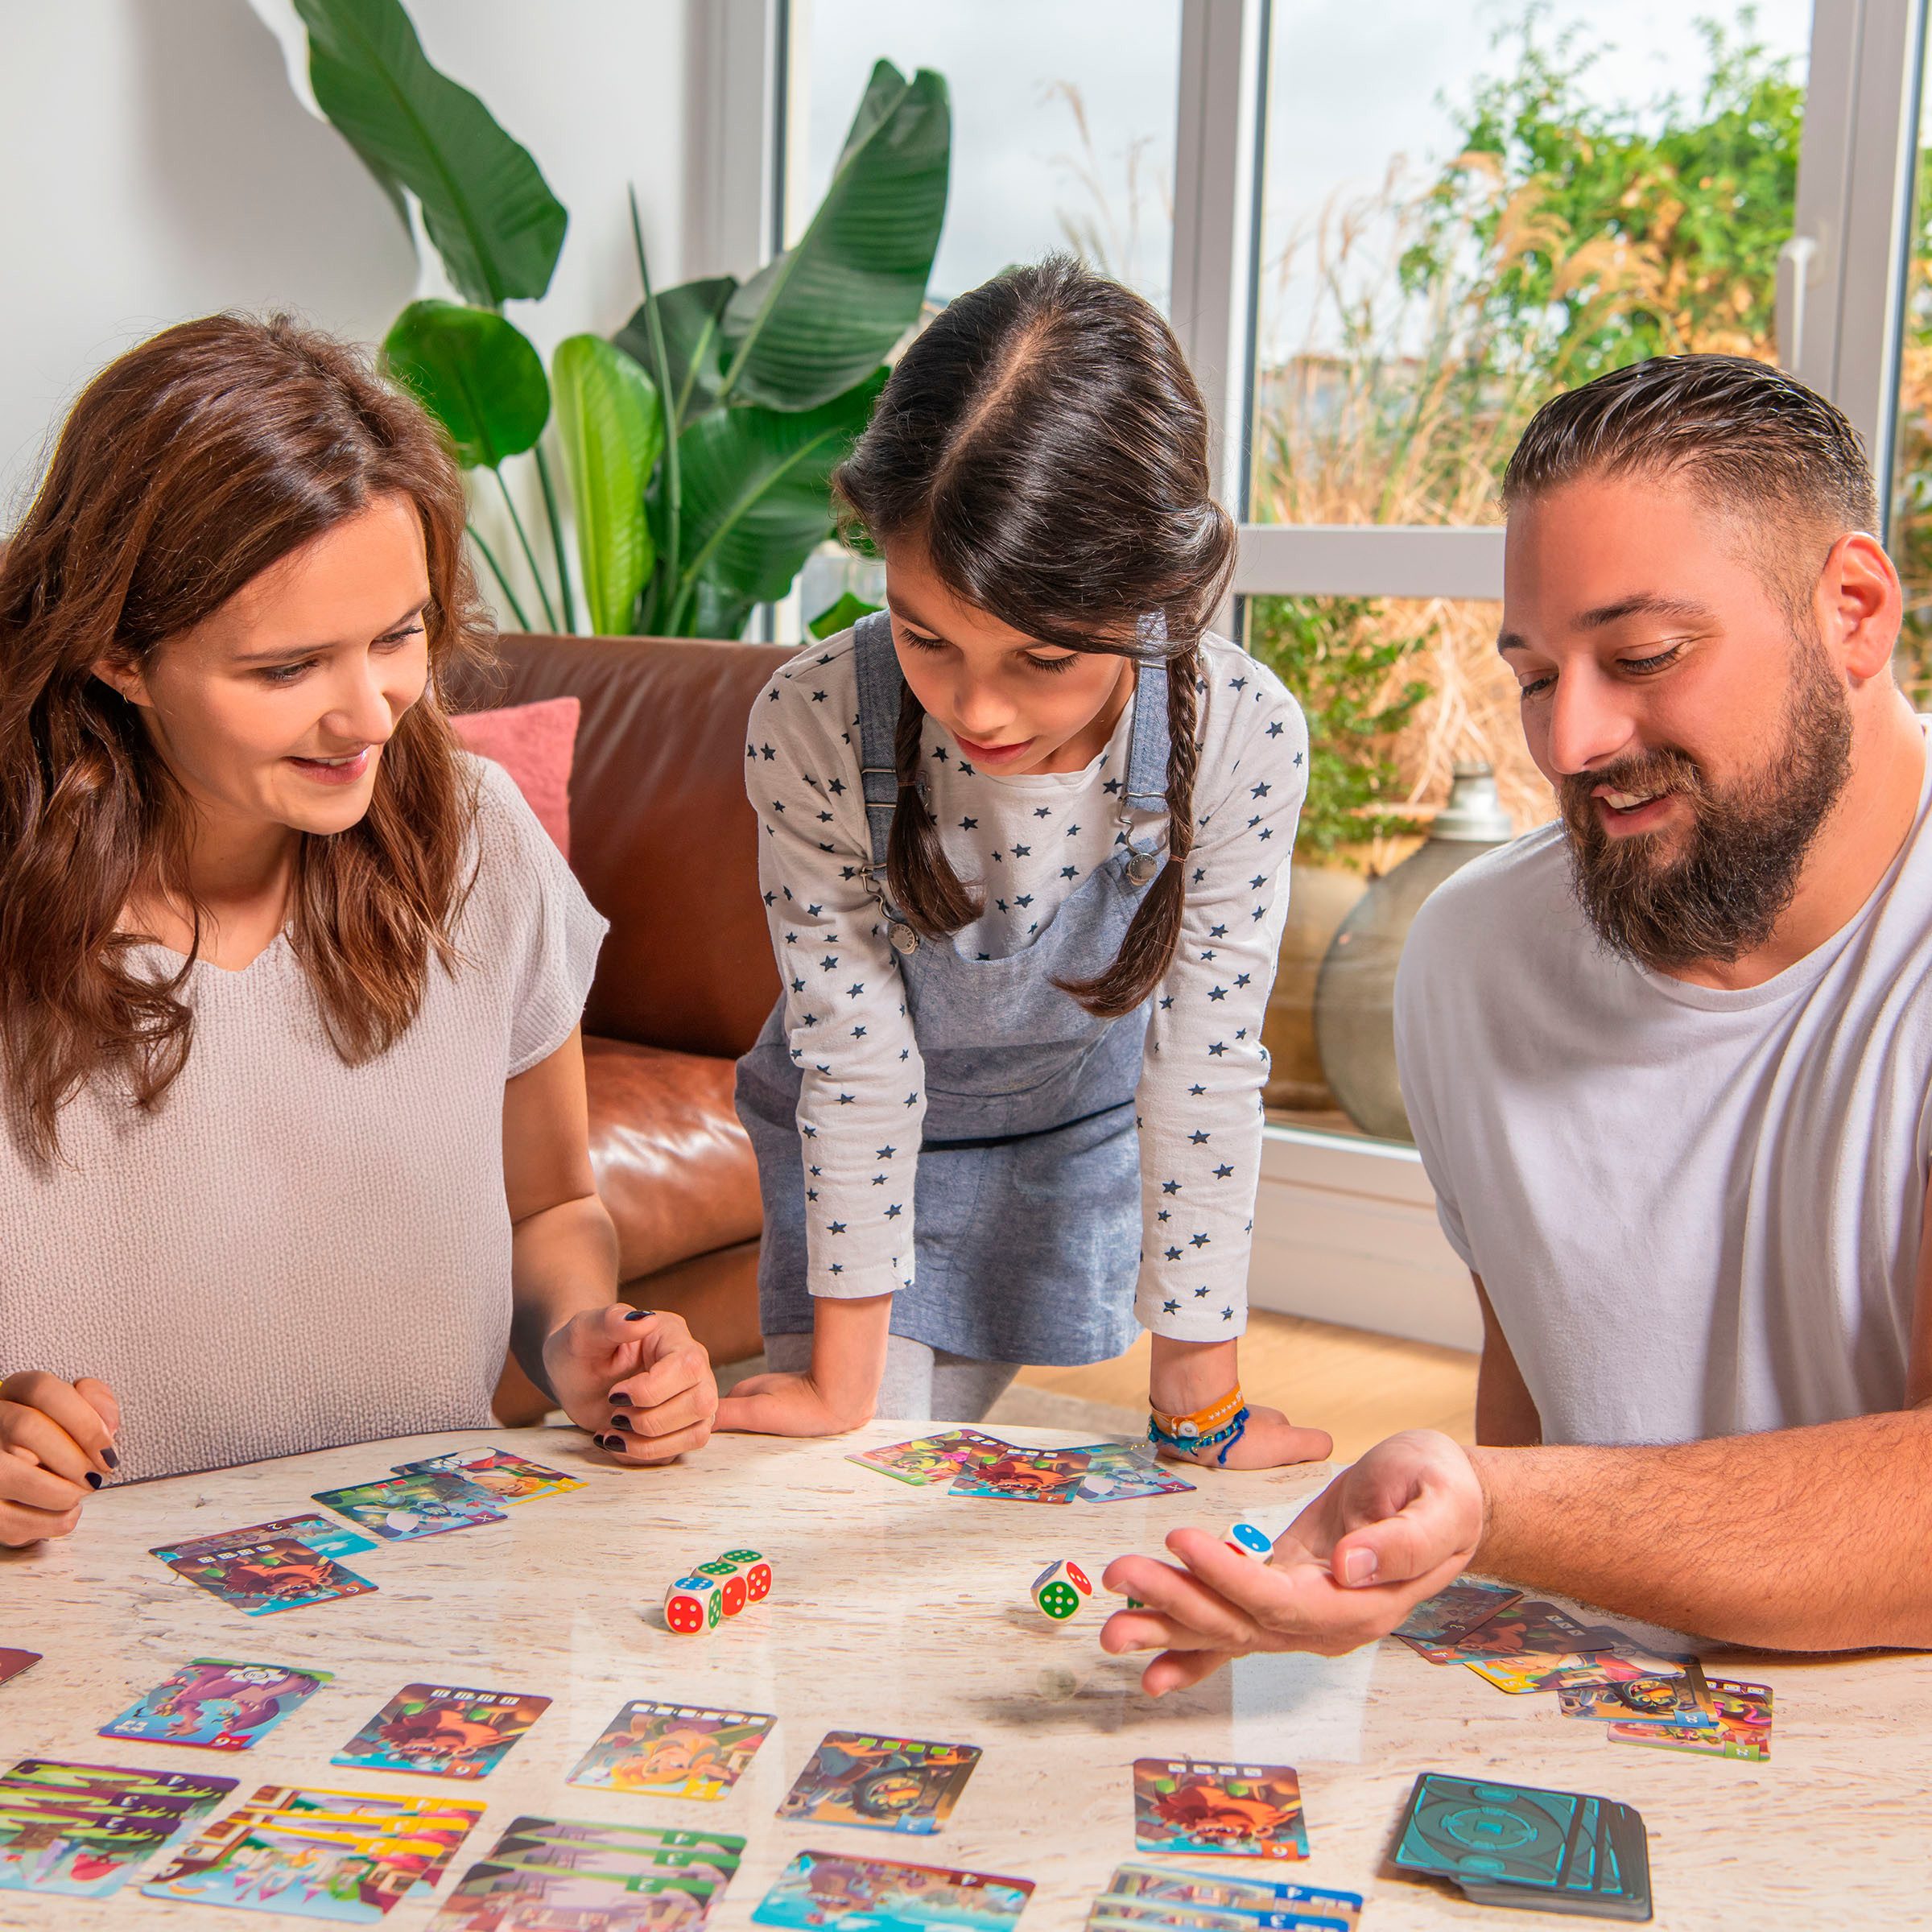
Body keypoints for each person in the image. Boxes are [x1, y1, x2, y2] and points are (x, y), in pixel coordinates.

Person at [1101, 353, 1932, 1688]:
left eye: (1643, 655)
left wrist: (1491, 1506)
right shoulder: (1472, 958)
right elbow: (1535, 1412)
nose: (1573, 740)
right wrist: (1422, 1562)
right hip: (1591, 1707)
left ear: (1851, 611)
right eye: (1537, 675)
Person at [0, 314, 716, 1543]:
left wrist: (583, 1340)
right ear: (119, 651)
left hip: (424, 1573)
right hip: (80, 1609)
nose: (368, 714)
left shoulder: (477, 842)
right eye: (287, 668)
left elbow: (550, 1205)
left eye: (401, 637)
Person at [719, 256, 1331, 1468]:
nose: (980, 713)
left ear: (1158, 589)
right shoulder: (813, 719)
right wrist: (842, 1391)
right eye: (926, 637)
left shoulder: (1244, 735)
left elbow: (1205, 1071)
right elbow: (854, 1058)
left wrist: (1199, 1412)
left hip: (1067, 1139)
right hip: (855, 1145)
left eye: (1044, 659)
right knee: (850, 1475)